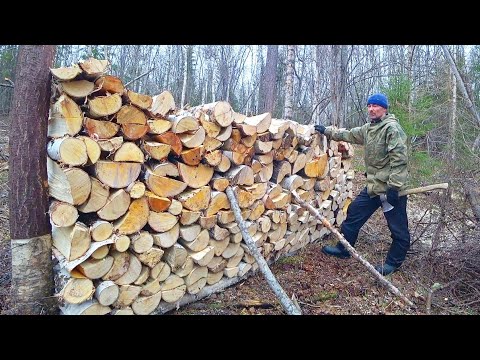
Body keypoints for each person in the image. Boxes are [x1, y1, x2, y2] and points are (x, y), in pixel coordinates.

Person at [314, 93, 410, 276]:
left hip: (389, 189)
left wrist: (394, 187)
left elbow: (399, 160)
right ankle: (344, 249)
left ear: (385, 108)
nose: (372, 109)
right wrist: (327, 131)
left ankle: (392, 263)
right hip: (374, 187)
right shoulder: (369, 129)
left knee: (398, 229)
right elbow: (349, 135)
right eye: (369, 106)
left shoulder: (392, 129)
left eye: (376, 106)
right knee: (354, 212)